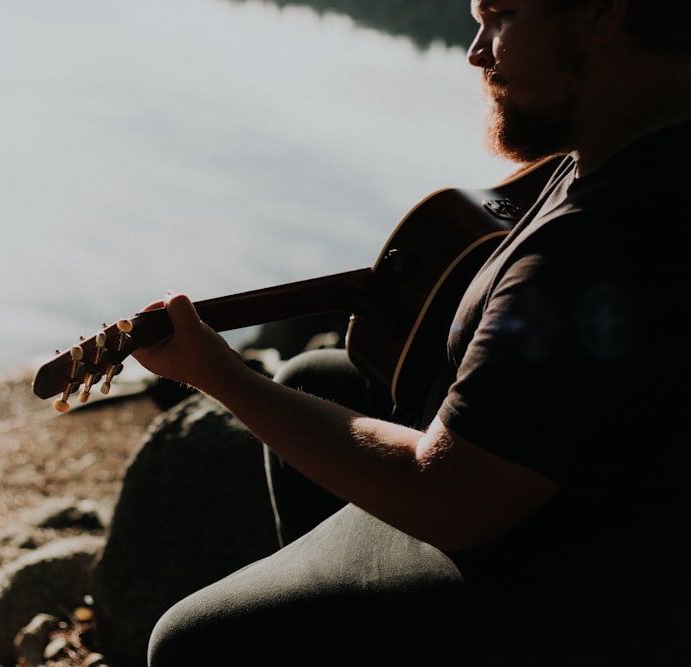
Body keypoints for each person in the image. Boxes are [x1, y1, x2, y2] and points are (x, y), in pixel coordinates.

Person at [130, 0, 691, 664]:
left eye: (502, 17)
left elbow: (448, 498)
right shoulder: (621, 143)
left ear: (603, 14)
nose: (476, 51)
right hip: (597, 497)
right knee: (313, 380)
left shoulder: (602, 241)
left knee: (189, 641)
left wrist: (219, 374)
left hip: (575, 578)